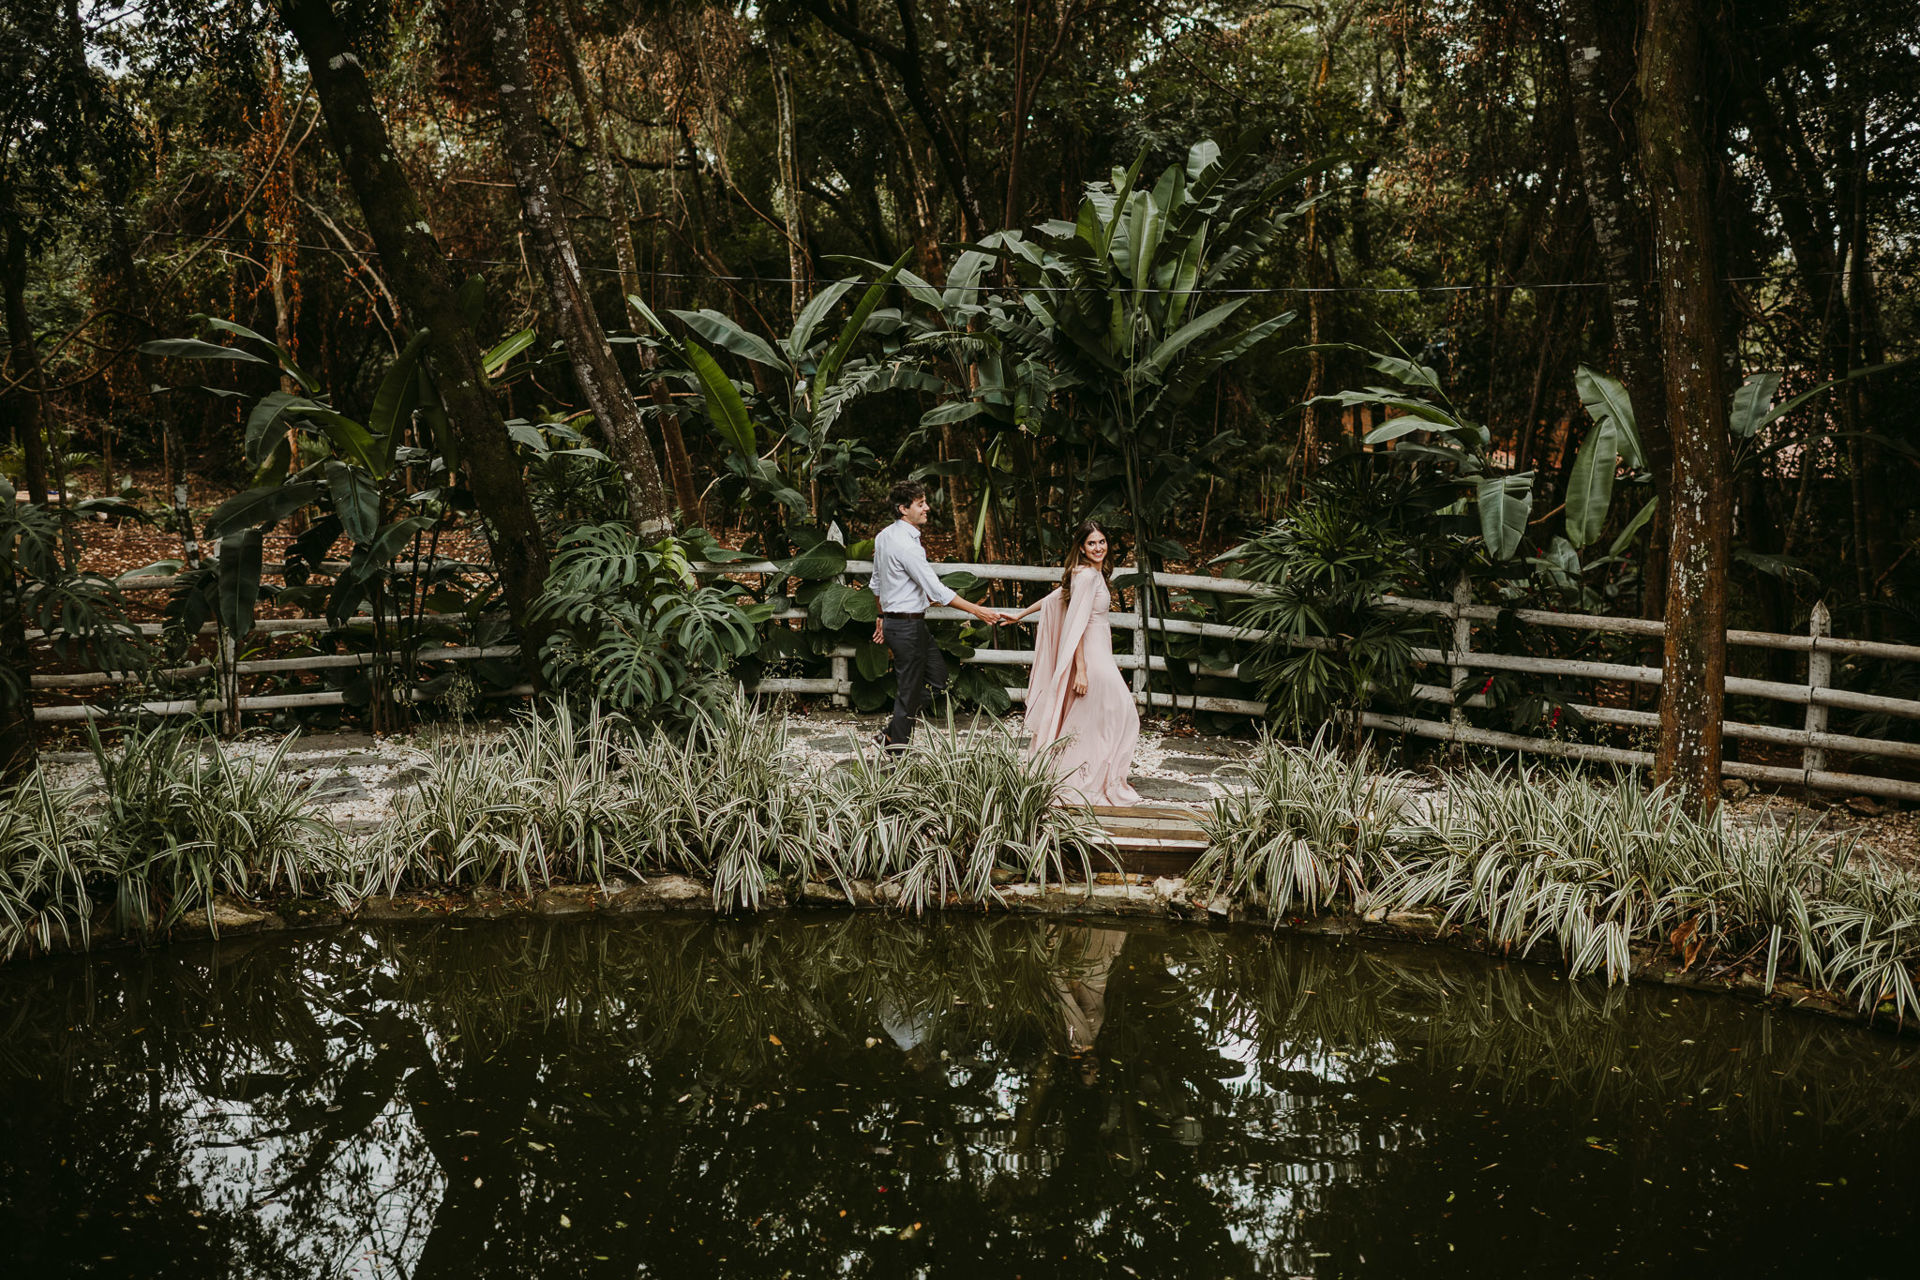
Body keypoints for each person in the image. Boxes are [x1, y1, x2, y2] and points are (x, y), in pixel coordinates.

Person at [1003, 519, 1143, 806]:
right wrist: (1080, 669)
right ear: (1081, 547)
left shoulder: (1088, 574)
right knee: (1122, 711)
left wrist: (1021, 614)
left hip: (1099, 650)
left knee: (1093, 715)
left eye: (1102, 542)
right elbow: (1075, 624)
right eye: (1091, 543)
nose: (1098, 547)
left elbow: (1055, 598)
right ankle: (1082, 778)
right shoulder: (1088, 577)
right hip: (1090, 654)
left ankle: (1081, 772)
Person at [869, 480, 1007, 749]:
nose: (927, 508)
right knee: (910, 689)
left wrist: (882, 616)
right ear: (903, 509)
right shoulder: (904, 545)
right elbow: (936, 590)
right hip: (906, 627)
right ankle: (897, 752)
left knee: (939, 678)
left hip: (908, 624)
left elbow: (876, 583)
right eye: (920, 504)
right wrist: (978, 610)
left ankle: (890, 733)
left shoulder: (884, 536)